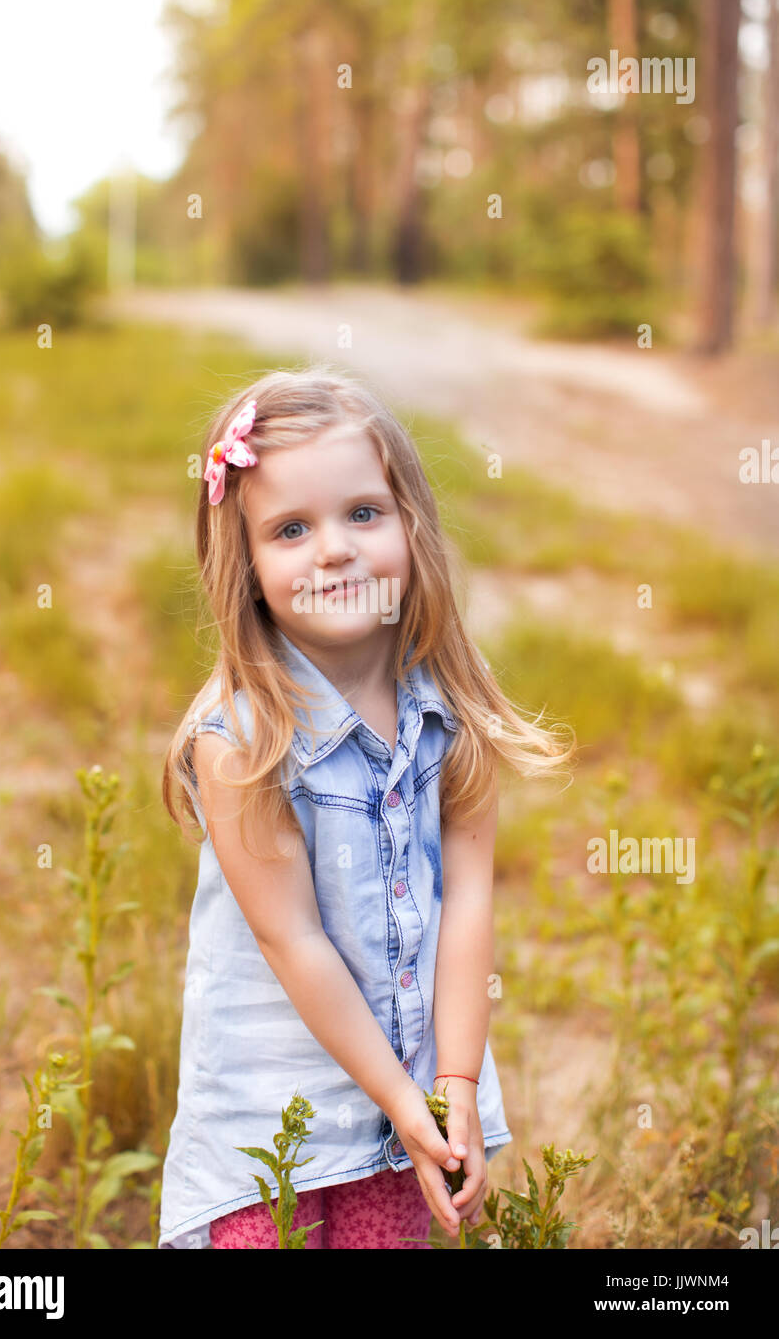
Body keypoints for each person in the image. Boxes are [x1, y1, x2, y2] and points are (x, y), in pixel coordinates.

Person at [158, 365, 575, 1250]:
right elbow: (293, 940)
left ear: (411, 524)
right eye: (291, 529)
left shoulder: (452, 700)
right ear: (248, 566)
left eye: (362, 514)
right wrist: (400, 1095)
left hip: (409, 1108)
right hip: (273, 1118)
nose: (334, 550)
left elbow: (466, 898)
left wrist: (452, 1082)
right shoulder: (241, 739)